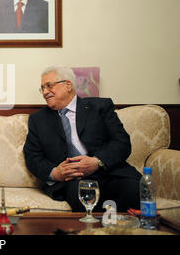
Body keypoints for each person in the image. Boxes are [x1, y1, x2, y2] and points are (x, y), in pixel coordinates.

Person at [23, 66, 141, 212]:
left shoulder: (99, 107)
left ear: (68, 85)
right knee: (81, 197)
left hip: (109, 172)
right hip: (72, 180)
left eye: (49, 86)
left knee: (134, 190)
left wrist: (97, 162)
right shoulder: (38, 119)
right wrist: (55, 173)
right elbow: (32, 157)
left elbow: (121, 142)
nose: (45, 92)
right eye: (42, 88)